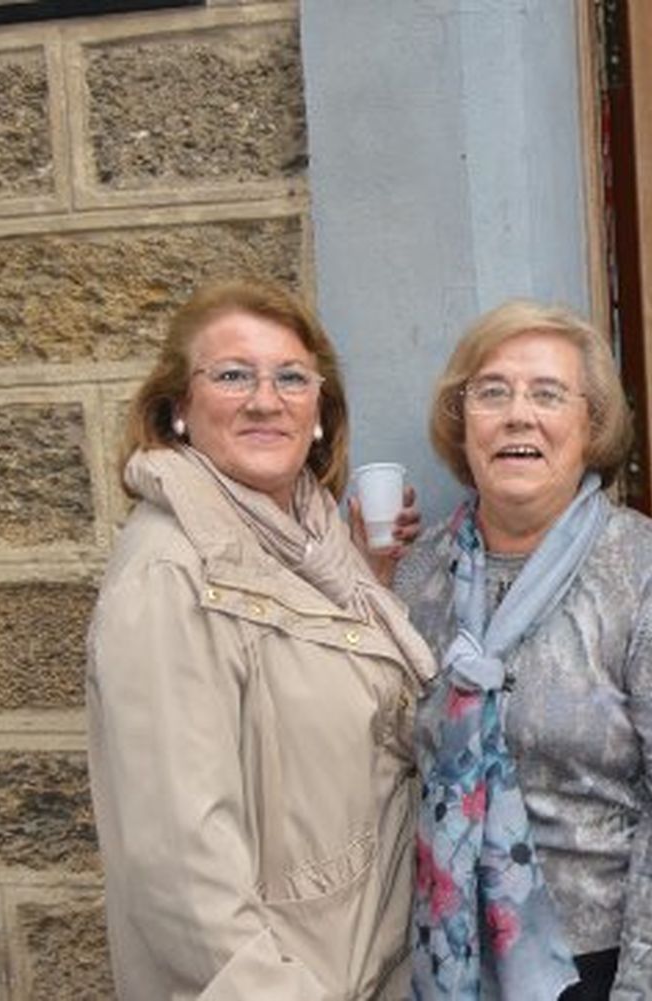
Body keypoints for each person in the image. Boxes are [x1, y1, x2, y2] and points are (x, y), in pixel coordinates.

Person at [86, 278, 438, 999]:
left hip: (362, 968)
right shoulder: (173, 576)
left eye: (290, 377)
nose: (264, 399)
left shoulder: (310, 544)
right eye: (232, 375)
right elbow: (182, 879)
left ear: (319, 411)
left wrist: (367, 577)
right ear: (178, 408)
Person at [389, 300, 652, 999]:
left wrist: (649, 987)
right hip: (445, 955)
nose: (519, 414)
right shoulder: (420, 575)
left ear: (591, 424)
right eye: (493, 392)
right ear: (463, 422)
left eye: (548, 394)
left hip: (596, 967)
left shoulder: (650, 570)